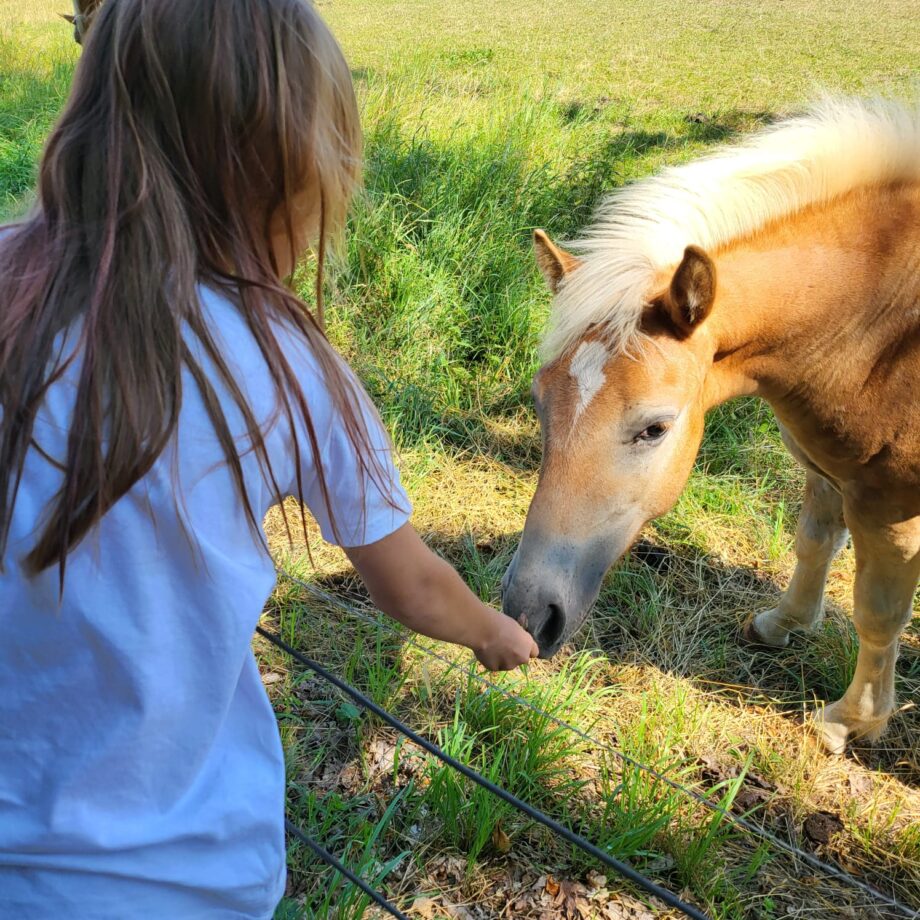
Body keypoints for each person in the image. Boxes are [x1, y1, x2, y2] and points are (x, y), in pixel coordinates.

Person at [0, 1, 538, 917]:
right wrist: (492, 629)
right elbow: (409, 585)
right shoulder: (290, 364)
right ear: (279, 173)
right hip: (186, 871)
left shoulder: (10, 282)